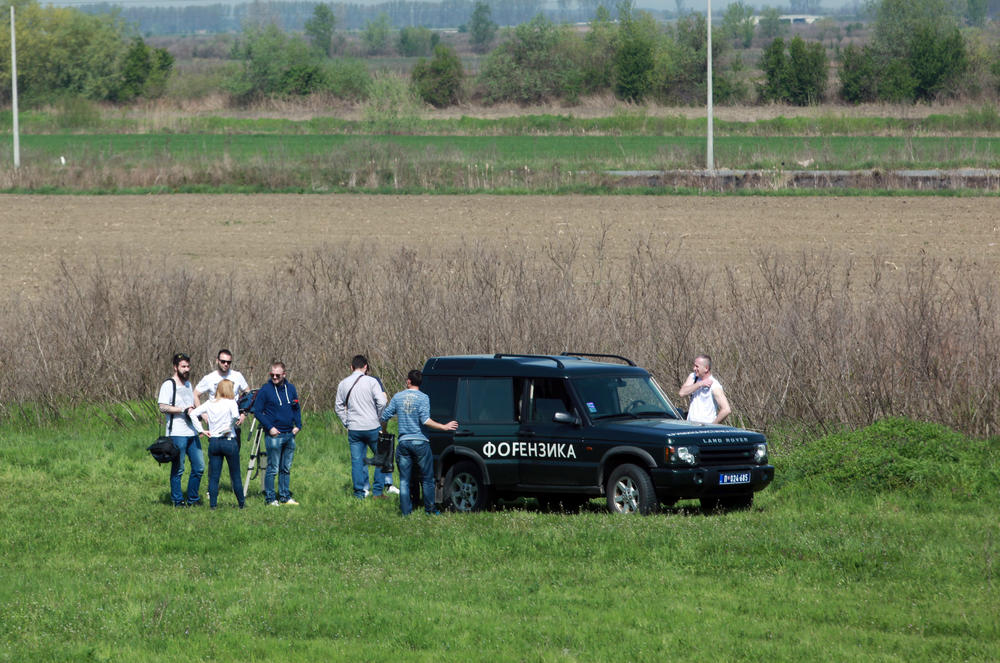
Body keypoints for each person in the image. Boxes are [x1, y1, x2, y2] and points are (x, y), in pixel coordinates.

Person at [380, 369, 458, 516]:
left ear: (409, 381)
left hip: (403, 443)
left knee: (404, 480)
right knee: (427, 479)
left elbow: (384, 416)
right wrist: (444, 426)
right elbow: (425, 420)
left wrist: (384, 432)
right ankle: (430, 509)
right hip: (420, 442)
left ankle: (405, 512)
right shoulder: (423, 398)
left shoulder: (398, 397)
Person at [335, 355, 388, 500]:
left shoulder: (343, 383)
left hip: (354, 428)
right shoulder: (372, 381)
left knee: (357, 462)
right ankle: (377, 492)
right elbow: (382, 402)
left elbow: (338, 407)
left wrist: (346, 422)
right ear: (366, 367)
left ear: (351, 367)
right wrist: (378, 417)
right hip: (372, 426)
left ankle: (359, 493)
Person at [157, 353, 204, 507]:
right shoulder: (168, 384)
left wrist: (197, 413)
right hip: (177, 433)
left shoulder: (189, 384)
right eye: (183, 366)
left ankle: (193, 498)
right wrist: (182, 409)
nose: (186, 369)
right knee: (179, 469)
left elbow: (191, 405)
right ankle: (177, 500)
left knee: (199, 467)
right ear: (175, 367)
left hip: (192, 432)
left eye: (188, 366)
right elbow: (162, 406)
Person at [252, 361, 301, 506]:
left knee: (285, 468)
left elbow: (296, 407)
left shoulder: (291, 389)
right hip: (274, 435)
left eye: (277, 375)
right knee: (272, 468)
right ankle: (271, 498)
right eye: (272, 374)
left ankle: (285, 497)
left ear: (284, 374)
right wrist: (269, 427)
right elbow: (257, 411)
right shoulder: (265, 390)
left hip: (289, 434)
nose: (274, 377)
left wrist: (298, 425)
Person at [191, 379, 245, 509]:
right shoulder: (231, 402)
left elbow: (193, 414)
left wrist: (201, 430)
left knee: (214, 476)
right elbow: (236, 416)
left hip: (214, 441)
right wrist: (229, 427)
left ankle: (213, 506)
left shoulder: (210, 403)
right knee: (235, 475)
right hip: (229, 441)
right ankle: (241, 504)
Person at [195, 349, 249, 446]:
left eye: (228, 362)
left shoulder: (237, 376)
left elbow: (248, 394)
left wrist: (244, 413)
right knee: (216, 454)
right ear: (217, 361)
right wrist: (203, 414)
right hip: (215, 423)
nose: (226, 364)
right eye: (223, 361)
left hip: (233, 422)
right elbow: (195, 394)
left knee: (233, 454)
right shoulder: (209, 378)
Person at [678, 354, 732, 425]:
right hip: (690, 425)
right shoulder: (693, 377)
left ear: (706, 368)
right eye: (694, 366)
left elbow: (726, 409)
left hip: (704, 428)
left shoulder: (715, 385)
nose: (694, 368)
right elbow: (682, 393)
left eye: (697, 366)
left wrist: (712, 426)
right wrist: (700, 384)